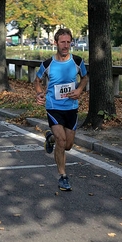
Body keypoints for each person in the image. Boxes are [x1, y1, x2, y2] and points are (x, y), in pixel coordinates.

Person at [34, 28, 88, 191]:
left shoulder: (77, 61)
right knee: (61, 140)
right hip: (53, 107)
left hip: (71, 108)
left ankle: (50, 138)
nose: (65, 45)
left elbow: (85, 78)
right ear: (56, 43)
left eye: (68, 42)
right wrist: (39, 93)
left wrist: (79, 90)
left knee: (68, 145)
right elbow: (37, 80)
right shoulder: (48, 64)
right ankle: (63, 176)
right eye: (62, 42)